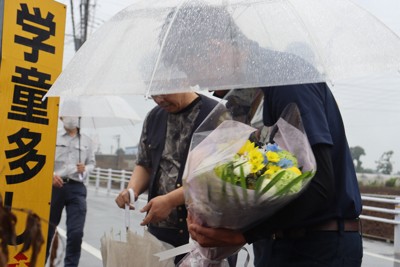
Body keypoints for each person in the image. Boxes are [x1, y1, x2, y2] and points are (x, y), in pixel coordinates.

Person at [159, 3, 363, 266]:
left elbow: (320, 184)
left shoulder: (287, 77)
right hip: (275, 246)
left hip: (318, 247)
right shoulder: (245, 97)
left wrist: (244, 234)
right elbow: (252, 180)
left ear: (215, 48)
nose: (201, 86)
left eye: (194, 72)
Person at [115, 92, 220, 265]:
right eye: (153, 95)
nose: (159, 100)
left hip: (203, 234)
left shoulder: (216, 114)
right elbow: (145, 163)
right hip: (160, 232)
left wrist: (171, 200)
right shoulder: (154, 117)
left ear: (181, 79)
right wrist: (131, 190)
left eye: (163, 93)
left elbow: (218, 176)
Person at [46, 116, 96, 267]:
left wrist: (85, 169)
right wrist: (50, 176)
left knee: (76, 233)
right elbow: (43, 160)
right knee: (47, 229)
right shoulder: (51, 136)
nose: (71, 118)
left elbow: (92, 164)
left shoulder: (87, 140)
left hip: (77, 188)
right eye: (68, 115)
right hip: (55, 187)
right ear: (60, 117)